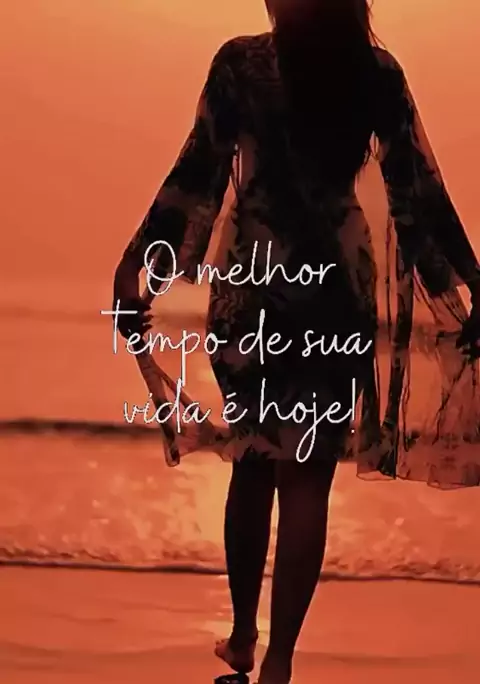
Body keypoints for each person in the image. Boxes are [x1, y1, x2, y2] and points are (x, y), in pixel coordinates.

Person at [113, 1, 480, 682]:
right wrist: (469, 280)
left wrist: (138, 263)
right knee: (308, 479)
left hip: (253, 282)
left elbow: (194, 176)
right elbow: (418, 195)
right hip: (336, 287)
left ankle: (242, 636)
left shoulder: (241, 65)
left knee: (253, 458)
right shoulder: (375, 73)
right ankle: (279, 661)